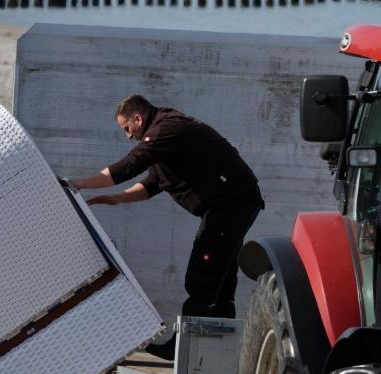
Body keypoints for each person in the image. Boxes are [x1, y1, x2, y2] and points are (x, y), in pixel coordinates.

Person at [68, 95, 264, 360]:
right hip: (232, 204)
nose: (128, 137)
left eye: (127, 129)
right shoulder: (165, 139)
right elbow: (153, 183)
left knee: (203, 273)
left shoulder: (166, 128)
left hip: (232, 203)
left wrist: (78, 183)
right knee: (221, 275)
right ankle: (218, 349)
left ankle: (185, 349)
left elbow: (129, 166)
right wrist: (117, 198)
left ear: (138, 119)